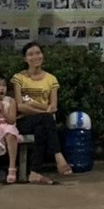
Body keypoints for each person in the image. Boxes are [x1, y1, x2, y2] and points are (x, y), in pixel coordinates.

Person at [12, 42, 73, 184]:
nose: (35, 57)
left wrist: (33, 104)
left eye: (38, 53)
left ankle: (34, 173)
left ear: (43, 55)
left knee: (41, 129)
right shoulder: (19, 78)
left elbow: (53, 107)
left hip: (44, 121)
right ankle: (59, 156)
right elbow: (20, 106)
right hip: (24, 121)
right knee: (46, 119)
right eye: (30, 54)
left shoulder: (51, 79)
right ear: (25, 59)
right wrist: (43, 109)